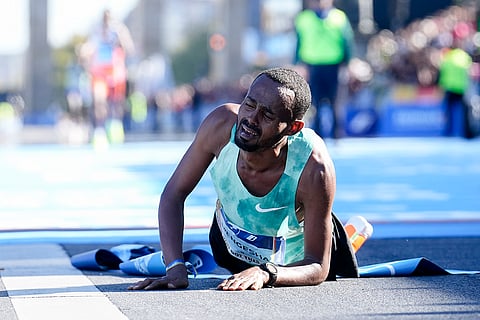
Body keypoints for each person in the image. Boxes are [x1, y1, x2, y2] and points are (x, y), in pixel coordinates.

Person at [128, 67, 358, 291]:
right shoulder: (220, 125)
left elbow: (317, 265)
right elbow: (173, 194)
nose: (250, 119)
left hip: (292, 265)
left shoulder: (314, 167)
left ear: (293, 128)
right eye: (249, 104)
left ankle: (349, 233)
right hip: (229, 249)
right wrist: (175, 267)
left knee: (329, 245)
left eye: (267, 114)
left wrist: (267, 272)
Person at [294, 0, 354, 139]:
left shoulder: (339, 17)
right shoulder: (304, 19)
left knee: (335, 101)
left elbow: (347, 41)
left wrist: (349, 62)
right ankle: (317, 134)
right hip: (312, 64)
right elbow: (298, 42)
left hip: (333, 65)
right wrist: (297, 63)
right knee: (315, 102)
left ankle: (337, 134)